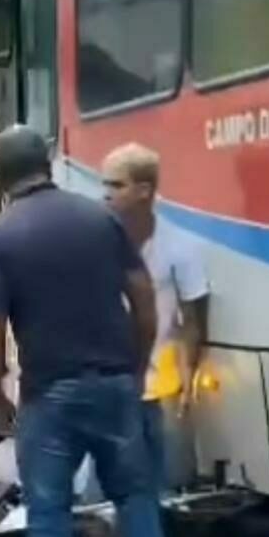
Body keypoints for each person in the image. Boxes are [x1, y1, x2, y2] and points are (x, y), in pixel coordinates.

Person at [0, 125, 177, 537]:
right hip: (113, 383)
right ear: (46, 164)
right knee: (134, 494)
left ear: (3, 174)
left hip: (51, 394)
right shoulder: (101, 217)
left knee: (49, 507)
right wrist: (134, 368)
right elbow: (143, 299)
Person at [102, 143, 210, 492]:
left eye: (117, 186)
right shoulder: (95, 240)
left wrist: (188, 378)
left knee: (161, 486)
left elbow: (193, 320)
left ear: (144, 191)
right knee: (105, 492)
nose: (106, 195)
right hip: (106, 386)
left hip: (157, 389)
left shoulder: (180, 247)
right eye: (106, 185)